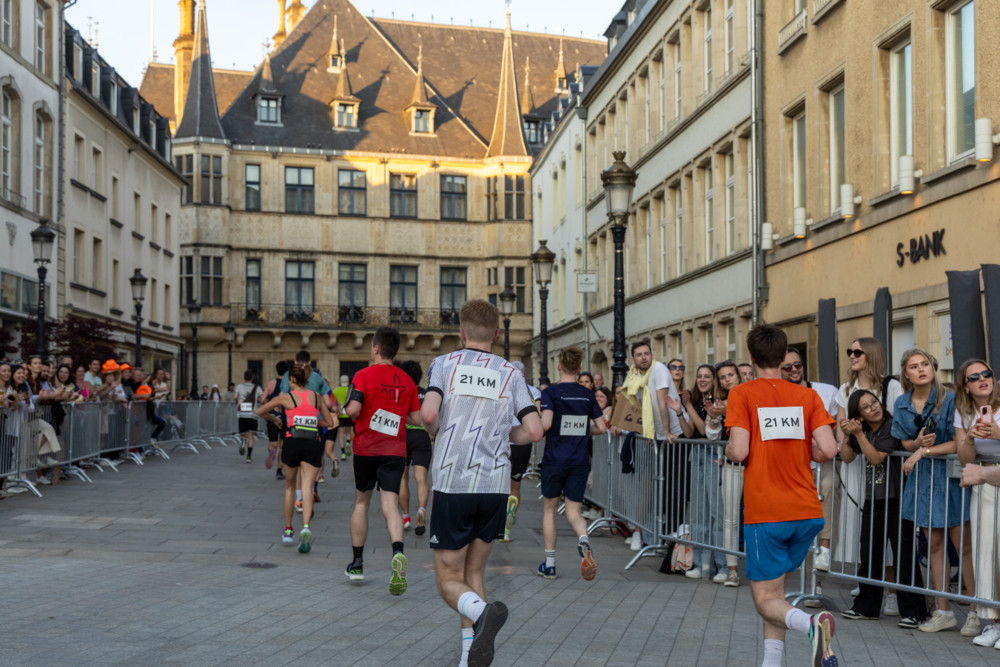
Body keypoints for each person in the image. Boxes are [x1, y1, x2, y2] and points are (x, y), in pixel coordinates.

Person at [420, 299, 543, 667]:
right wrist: (508, 436)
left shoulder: (444, 365)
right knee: (473, 573)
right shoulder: (511, 372)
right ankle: (467, 658)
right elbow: (535, 429)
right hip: (494, 485)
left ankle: (484, 612)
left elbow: (428, 413)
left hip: (454, 481)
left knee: (448, 580)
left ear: (461, 332)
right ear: (496, 333)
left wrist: (436, 432)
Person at [724, 323, 838, 667]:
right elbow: (829, 449)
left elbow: (741, 452)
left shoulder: (742, 394)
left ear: (751, 357)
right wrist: (806, 453)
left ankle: (812, 625)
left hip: (767, 512)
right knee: (777, 595)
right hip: (806, 510)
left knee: (764, 599)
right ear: (783, 355)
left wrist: (730, 450)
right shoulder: (806, 396)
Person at [892, 347, 976, 635]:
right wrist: (915, 445)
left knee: (962, 545)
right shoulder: (902, 402)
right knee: (935, 545)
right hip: (922, 481)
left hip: (950, 478)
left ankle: (975, 611)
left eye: (925, 364)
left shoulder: (951, 398)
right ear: (906, 373)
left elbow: (958, 442)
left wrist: (923, 451)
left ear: (933, 367)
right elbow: (903, 443)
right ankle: (944, 611)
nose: (921, 369)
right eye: (914, 366)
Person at [839, 389, 927, 626]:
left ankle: (915, 611)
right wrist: (849, 434)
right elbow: (846, 457)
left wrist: (860, 435)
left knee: (904, 555)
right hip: (874, 498)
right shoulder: (864, 431)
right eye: (866, 407)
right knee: (869, 553)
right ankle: (866, 606)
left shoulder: (890, 426)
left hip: (897, 498)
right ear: (859, 415)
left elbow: (876, 457)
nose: (873, 408)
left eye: (874, 402)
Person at [343, 327, 421, 595]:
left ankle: (357, 563)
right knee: (390, 505)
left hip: (366, 449)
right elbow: (417, 419)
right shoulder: (407, 381)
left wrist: (345, 411)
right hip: (395, 451)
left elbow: (353, 409)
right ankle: (397, 552)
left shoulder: (363, 375)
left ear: (376, 348)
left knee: (362, 503)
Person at [538, 346, 607, 580]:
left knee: (549, 510)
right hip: (579, 461)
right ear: (579, 369)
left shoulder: (550, 393)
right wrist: (582, 432)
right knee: (574, 513)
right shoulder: (587, 394)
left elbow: (546, 424)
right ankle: (584, 540)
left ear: (559, 367)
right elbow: (602, 427)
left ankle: (549, 564)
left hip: (554, 460)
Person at [780, 348, 842, 603]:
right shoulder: (778, 395)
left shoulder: (827, 391)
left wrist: (835, 445)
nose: (795, 370)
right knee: (800, 525)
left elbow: (837, 428)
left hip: (822, 460)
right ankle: (793, 582)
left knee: (827, 490)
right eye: (788, 367)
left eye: (798, 365)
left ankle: (819, 577)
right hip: (793, 466)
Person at [255, 361, 335, 553]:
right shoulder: (316, 397)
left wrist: (275, 419)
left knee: (290, 487)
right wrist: (314, 422)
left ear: (291, 379)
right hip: (311, 443)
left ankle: (289, 530)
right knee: (307, 487)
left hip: (291, 441)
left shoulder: (286, 397)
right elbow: (330, 421)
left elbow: (259, 411)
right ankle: (306, 527)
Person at [619, 341, 686, 552]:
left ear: (652, 355)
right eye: (639, 355)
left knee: (671, 487)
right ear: (633, 359)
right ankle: (643, 532)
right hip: (656, 436)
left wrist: (664, 432)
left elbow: (661, 401)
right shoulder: (634, 377)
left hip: (674, 434)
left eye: (647, 353)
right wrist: (650, 432)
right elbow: (638, 407)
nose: (644, 357)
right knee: (650, 486)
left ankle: (669, 537)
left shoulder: (659, 370)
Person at [956, 358, 1000, 647]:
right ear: (966, 387)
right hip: (981, 483)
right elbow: (964, 459)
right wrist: (971, 438)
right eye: (975, 377)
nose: (983, 378)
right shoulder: (963, 412)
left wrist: (997, 433)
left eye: (987, 374)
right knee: (985, 553)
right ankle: (994, 623)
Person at [704, 360, 744, 587]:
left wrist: (730, 408)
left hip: (754, 463)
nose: (728, 379)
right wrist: (712, 417)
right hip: (731, 463)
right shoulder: (720, 403)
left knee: (757, 516)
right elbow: (712, 437)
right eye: (723, 377)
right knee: (730, 518)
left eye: (731, 374)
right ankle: (732, 570)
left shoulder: (748, 396)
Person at [680, 363, 719, 572]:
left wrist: (687, 407)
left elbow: (704, 430)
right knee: (697, 513)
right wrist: (680, 411)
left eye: (707, 376)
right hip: (695, 455)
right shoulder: (697, 401)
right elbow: (689, 433)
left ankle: (713, 563)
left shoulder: (715, 403)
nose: (702, 380)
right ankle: (700, 563)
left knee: (712, 512)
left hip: (711, 456)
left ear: (714, 380)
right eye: (699, 376)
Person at [502, 360, 541, 542]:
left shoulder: (502, 388)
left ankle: (499, 521)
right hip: (523, 442)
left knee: (500, 484)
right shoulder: (533, 391)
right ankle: (507, 526)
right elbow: (538, 415)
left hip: (503, 440)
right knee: (515, 485)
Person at [396, 360, 432, 536]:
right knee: (421, 477)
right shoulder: (426, 394)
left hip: (402, 436)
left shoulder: (401, 393)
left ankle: (405, 517)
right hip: (422, 437)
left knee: (402, 478)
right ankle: (422, 510)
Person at [260, 361, 290, 479]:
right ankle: (279, 470)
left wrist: (269, 403)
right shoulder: (288, 384)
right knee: (283, 446)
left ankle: (271, 451)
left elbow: (262, 400)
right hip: (284, 416)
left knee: (273, 443)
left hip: (272, 416)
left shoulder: (272, 383)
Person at [234, 371, 261, 463]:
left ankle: (243, 441)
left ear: (244, 377)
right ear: (252, 378)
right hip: (252, 414)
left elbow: (235, 396)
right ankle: (248, 457)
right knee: (251, 436)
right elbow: (261, 399)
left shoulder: (239, 387)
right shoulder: (257, 388)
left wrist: (237, 402)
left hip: (242, 413)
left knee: (243, 433)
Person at [332, 374, 354, 459]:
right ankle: (348, 442)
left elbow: (333, 403)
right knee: (348, 432)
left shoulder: (336, 390)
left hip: (339, 414)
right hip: (348, 413)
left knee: (340, 434)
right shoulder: (350, 390)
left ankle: (343, 453)